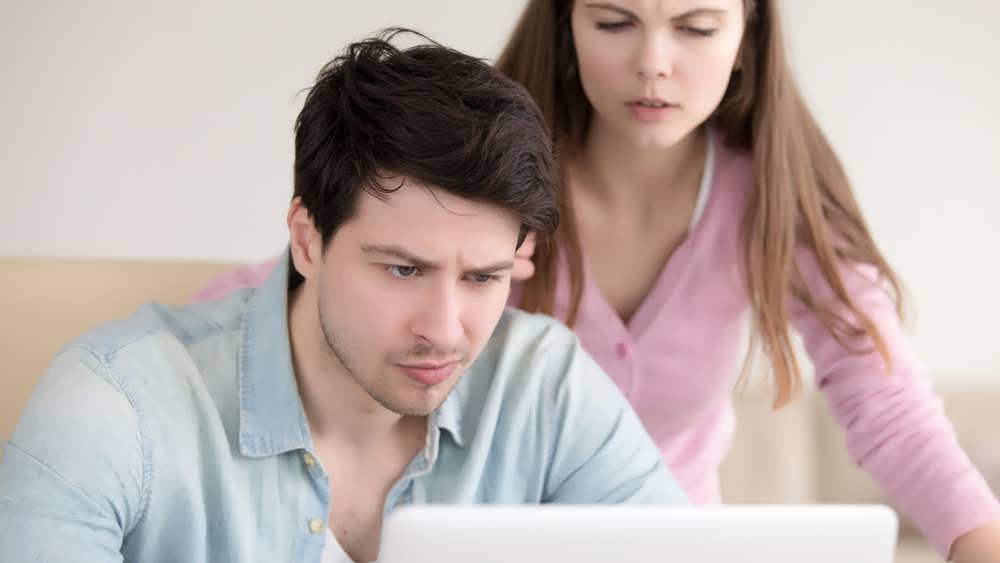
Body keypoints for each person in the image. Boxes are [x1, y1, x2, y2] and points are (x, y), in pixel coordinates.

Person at [196, 2, 1000, 561]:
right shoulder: (495, 186)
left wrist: (977, 539)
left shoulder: (776, 197)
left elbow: (887, 402)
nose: (654, 64)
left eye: (696, 26)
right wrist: (180, 349)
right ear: (566, 23)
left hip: (663, 541)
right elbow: (336, 278)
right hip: (481, 535)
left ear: (748, 34)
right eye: (614, 22)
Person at [0, 31, 687, 563]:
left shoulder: (547, 387)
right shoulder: (114, 410)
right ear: (307, 238)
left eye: (482, 278)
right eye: (402, 270)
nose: (445, 330)